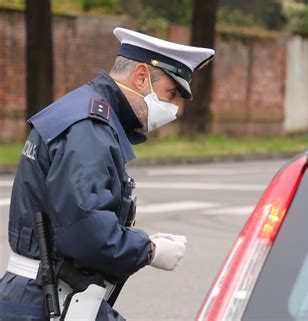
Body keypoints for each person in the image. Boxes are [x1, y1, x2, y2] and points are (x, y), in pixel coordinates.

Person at [0, 27, 215, 321]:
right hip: (44, 300)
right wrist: (149, 250)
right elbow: (86, 233)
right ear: (141, 78)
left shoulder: (86, 114)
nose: (176, 109)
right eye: (172, 93)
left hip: (47, 294)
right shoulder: (89, 128)